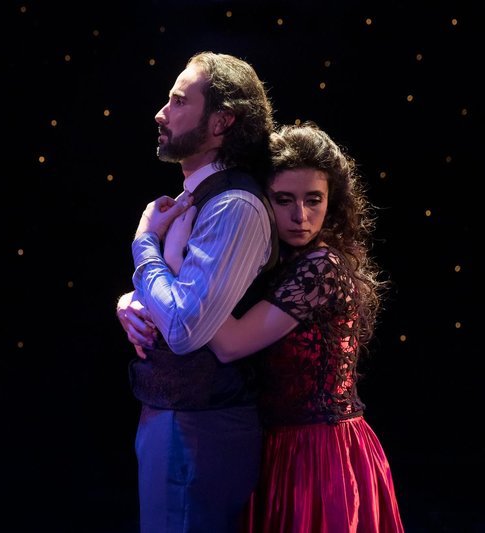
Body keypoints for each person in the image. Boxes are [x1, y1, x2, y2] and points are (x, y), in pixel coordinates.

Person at [149, 122, 405, 532]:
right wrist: (130, 299)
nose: (300, 216)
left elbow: (228, 343)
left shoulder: (320, 268)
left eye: (313, 200)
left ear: (332, 202)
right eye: (283, 200)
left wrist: (174, 261)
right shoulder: (276, 260)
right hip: (277, 446)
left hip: (321, 455)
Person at [116, 51, 278, 532]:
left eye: (179, 101)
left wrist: (144, 244)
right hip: (172, 413)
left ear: (221, 122)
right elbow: (175, 296)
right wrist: (130, 301)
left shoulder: (235, 207)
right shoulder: (195, 199)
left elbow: (186, 326)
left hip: (200, 426)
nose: (161, 112)